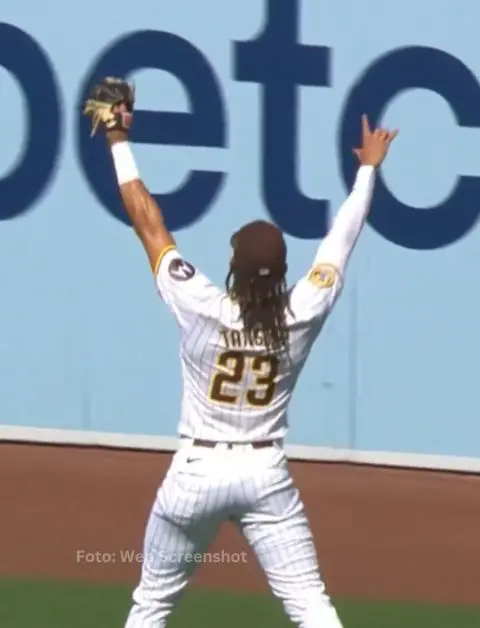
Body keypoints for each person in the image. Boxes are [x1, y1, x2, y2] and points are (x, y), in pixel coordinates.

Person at [82, 79, 397, 628]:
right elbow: (340, 242)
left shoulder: (201, 304)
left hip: (196, 473)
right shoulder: (302, 311)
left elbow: (147, 221)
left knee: (151, 605)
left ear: (234, 267)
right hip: (263, 474)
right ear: (280, 271)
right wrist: (369, 168)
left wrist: (116, 139)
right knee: (311, 606)